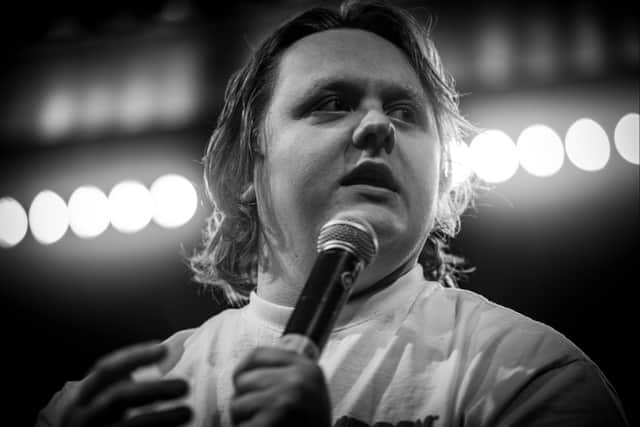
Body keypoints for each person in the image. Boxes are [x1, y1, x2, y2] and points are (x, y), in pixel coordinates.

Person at [37, 1, 629, 426]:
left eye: (403, 110)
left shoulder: (528, 372)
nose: (377, 127)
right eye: (333, 103)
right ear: (245, 167)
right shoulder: (110, 402)